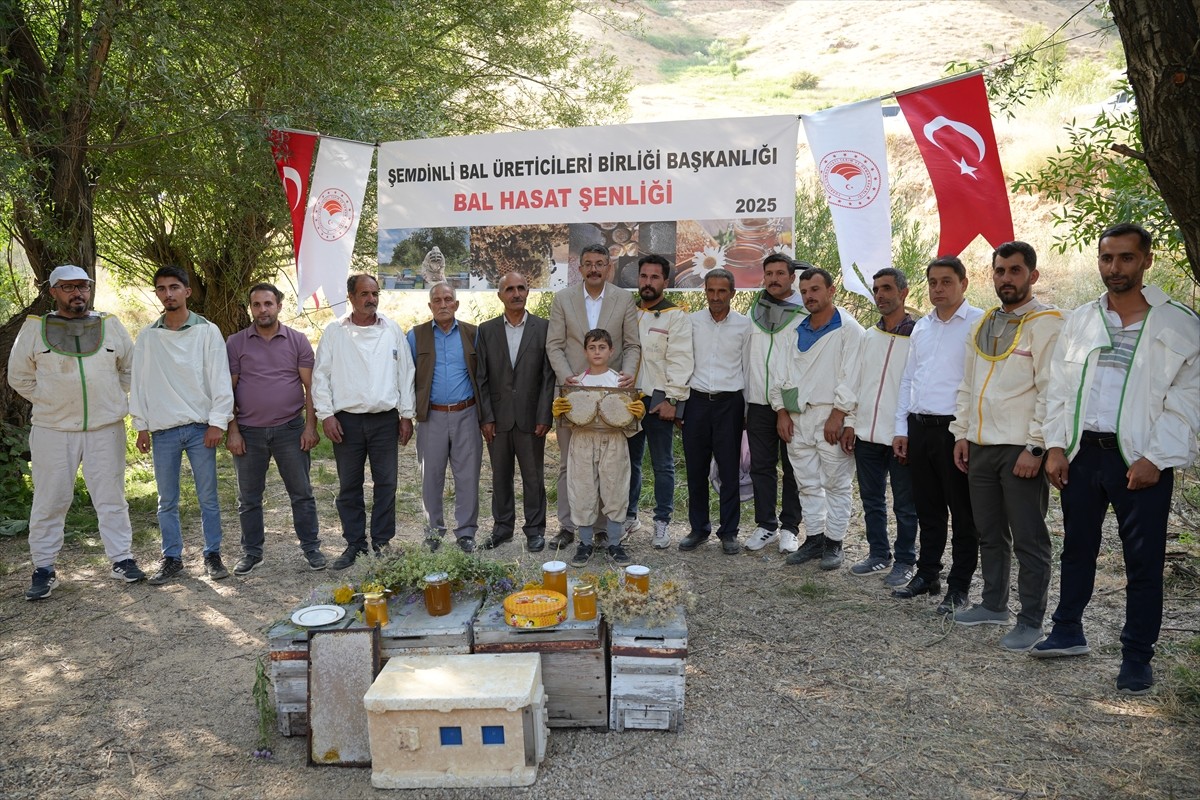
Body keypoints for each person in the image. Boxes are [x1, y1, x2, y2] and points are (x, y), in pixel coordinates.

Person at [1033, 223, 1199, 695]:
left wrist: (1155, 458)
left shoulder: (1178, 324)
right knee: (1077, 549)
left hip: (1139, 462)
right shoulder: (1082, 319)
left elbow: (1187, 403)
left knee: (1143, 563)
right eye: (1107, 259)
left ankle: (1136, 657)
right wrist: (1057, 446)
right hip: (1084, 455)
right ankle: (1067, 630)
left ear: (1146, 260)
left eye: (1126, 258)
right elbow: (1060, 390)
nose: (1115, 268)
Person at [949, 242, 1063, 651]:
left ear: (1032, 275)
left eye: (1015, 271)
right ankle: (993, 605)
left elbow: (1053, 391)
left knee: (1030, 538)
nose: (1006, 279)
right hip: (980, 447)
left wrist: (1036, 448)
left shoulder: (1047, 323)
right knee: (989, 533)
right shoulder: (982, 324)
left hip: (1020, 450)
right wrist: (962, 434)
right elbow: (967, 384)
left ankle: (1031, 620)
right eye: (999, 271)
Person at [8, 265, 145, 600]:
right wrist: (48, 400)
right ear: (53, 291)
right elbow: (19, 377)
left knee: (111, 497)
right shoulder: (34, 330)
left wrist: (112, 397)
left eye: (82, 286)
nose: (77, 293)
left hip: (106, 428)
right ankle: (43, 567)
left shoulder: (110, 326)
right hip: (53, 430)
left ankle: (121, 559)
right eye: (68, 287)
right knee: (50, 499)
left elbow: (130, 369)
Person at [130, 265, 235, 585]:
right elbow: (139, 382)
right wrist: (141, 425)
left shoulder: (207, 330)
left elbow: (219, 378)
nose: (168, 294)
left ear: (187, 291)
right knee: (167, 501)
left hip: (200, 428)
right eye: (161, 289)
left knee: (208, 497)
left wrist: (218, 422)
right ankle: (172, 558)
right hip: (162, 430)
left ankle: (212, 554)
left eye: (174, 287)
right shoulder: (148, 336)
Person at [891, 256, 983, 613]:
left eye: (946, 281)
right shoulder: (922, 327)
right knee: (927, 508)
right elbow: (908, 379)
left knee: (962, 512)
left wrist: (967, 433)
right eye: (933, 282)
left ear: (964, 283)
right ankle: (928, 573)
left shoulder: (978, 324)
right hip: (920, 426)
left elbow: (977, 384)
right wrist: (902, 428)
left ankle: (959, 586)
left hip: (955, 431)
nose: (938, 289)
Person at [312, 274, 416, 571]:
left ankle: (382, 542)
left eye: (375, 293)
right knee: (349, 486)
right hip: (346, 422)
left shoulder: (391, 329)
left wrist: (406, 416)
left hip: (385, 421)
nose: (371, 299)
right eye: (364, 294)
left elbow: (405, 374)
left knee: (387, 483)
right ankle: (355, 543)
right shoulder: (335, 332)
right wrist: (326, 415)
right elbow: (321, 377)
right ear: (351, 297)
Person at [225, 283, 325, 575]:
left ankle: (311, 548)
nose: (262, 310)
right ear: (251, 308)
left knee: (302, 493)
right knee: (248, 498)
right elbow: (226, 391)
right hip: (249, 432)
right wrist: (233, 431)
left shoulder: (297, 341)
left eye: (268, 304)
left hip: (290, 430)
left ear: (279, 306)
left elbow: (311, 388)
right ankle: (252, 553)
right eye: (256, 305)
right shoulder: (236, 343)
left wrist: (310, 427)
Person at [545, 244, 640, 548]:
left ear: (609, 267)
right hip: (573, 394)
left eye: (600, 263)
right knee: (569, 463)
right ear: (580, 268)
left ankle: (601, 528)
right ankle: (567, 525)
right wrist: (567, 380)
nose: (595, 269)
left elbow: (633, 345)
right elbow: (555, 345)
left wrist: (627, 376)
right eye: (588, 264)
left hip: (613, 396)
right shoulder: (563, 299)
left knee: (608, 464)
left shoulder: (624, 299)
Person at [769, 267, 863, 571]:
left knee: (836, 483)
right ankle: (815, 538)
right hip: (797, 417)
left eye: (815, 290)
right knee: (806, 482)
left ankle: (834, 543)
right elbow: (778, 372)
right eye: (805, 291)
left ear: (831, 290)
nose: (809, 296)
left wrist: (839, 414)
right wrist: (781, 411)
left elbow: (854, 376)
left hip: (830, 415)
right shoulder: (795, 330)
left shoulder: (849, 330)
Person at [839, 268, 919, 588]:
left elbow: (917, 387)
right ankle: (878, 554)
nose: (880, 295)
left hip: (900, 436)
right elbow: (856, 381)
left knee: (904, 504)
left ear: (904, 292)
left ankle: (905, 560)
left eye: (887, 288)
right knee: (871, 499)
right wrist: (849, 422)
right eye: (876, 289)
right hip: (866, 435)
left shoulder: (918, 335)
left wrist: (910, 431)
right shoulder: (868, 336)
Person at [476, 272, 555, 553]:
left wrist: (545, 415)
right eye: (509, 289)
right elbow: (481, 378)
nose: (516, 293)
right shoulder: (485, 330)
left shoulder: (544, 327)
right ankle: (502, 529)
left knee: (533, 477)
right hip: (497, 419)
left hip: (532, 418)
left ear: (528, 291)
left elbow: (548, 377)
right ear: (500, 295)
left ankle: (535, 530)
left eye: (521, 288)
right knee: (500, 476)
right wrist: (485, 417)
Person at [551, 329, 644, 567]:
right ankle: (584, 544)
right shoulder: (576, 383)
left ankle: (614, 543)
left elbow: (630, 427)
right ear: (585, 352)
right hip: (582, 440)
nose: (597, 352)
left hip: (613, 441)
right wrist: (560, 413)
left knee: (615, 490)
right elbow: (569, 421)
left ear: (611, 351)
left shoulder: (621, 382)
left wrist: (636, 414)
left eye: (602, 347)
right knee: (582, 490)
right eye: (592, 347)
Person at [408, 282, 483, 553]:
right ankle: (433, 533)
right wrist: (407, 415)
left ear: (456, 304)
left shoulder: (472, 334)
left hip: (467, 413)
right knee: (431, 476)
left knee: (468, 476)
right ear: (430, 306)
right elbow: (406, 377)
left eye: (448, 299)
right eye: (437, 300)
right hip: (432, 416)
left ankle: (466, 532)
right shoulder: (415, 336)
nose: (442, 304)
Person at [682, 268, 750, 555]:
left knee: (729, 469)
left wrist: (746, 412)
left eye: (722, 291)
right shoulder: (692, 322)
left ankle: (729, 532)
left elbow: (748, 369)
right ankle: (699, 529)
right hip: (696, 402)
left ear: (733, 293)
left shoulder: (744, 326)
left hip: (729, 404)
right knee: (696, 469)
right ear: (705, 292)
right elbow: (682, 362)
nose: (716, 297)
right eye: (711, 291)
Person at [742, 253, 806, 554]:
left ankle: (791, 528)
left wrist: (787, 406)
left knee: (793, 466)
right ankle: (766, 525)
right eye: (769, 273)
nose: (774, 279)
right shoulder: (757, 308)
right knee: (762, 466)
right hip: (757, 400)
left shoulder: (804, 311)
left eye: (780, 273)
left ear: (792, 277)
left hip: (790, 403)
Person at [627, 254, 693, 549]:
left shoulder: (675, 316)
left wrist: (673, 400)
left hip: (657, 401)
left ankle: (662, 522)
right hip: (627, 400)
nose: (648, 282)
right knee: (628, 464)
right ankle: (629, 516)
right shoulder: (628, 312)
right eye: (644, 276)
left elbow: (680, 360)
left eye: (655, 277)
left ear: (665, 282)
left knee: (663, 464)